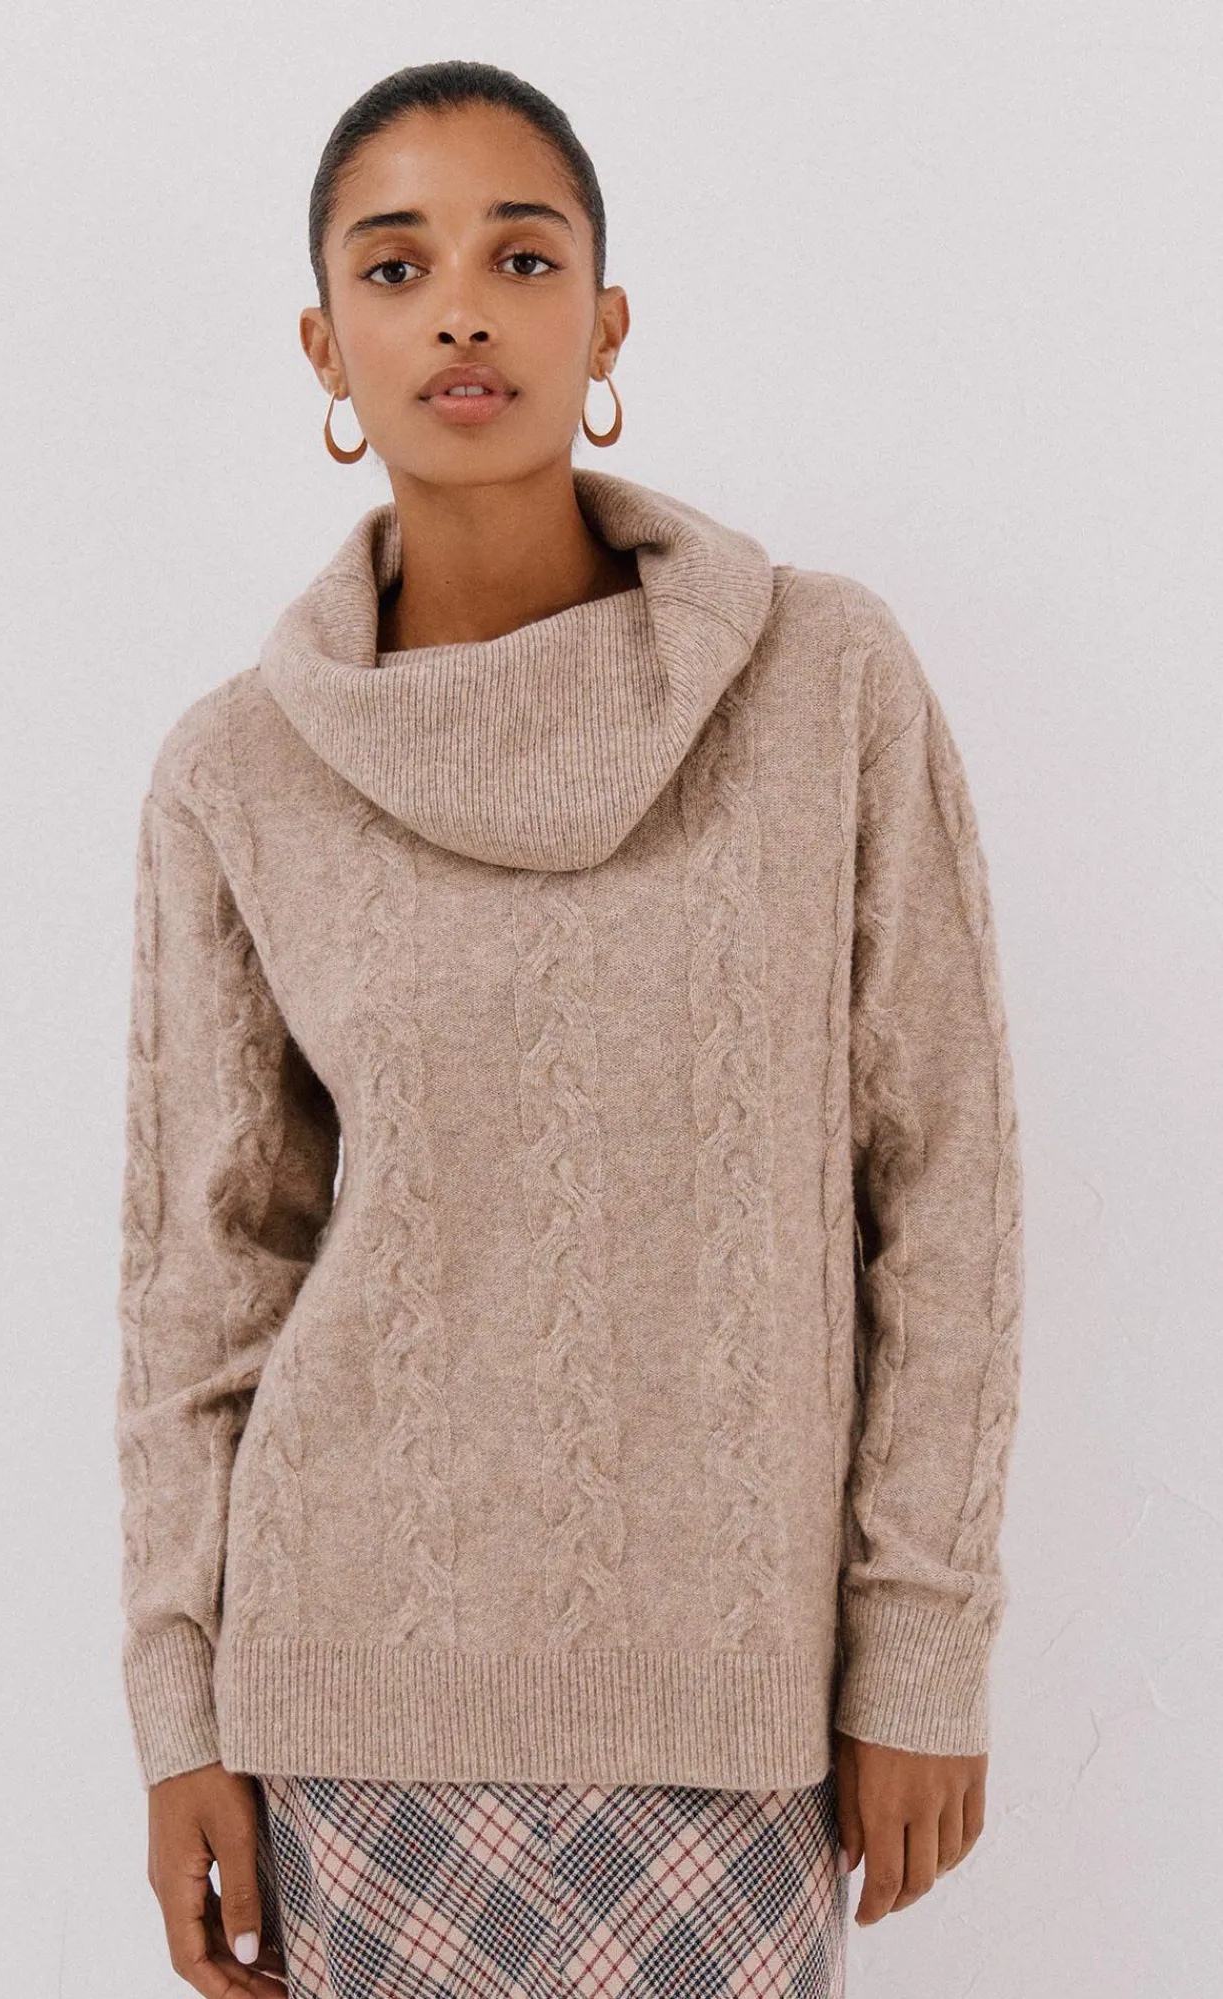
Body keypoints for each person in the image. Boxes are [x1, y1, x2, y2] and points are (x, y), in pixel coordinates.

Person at [113, 58, 1025, 1999]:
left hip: (733, 1715)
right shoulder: (236, 774)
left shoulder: (825, 683)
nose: (462, 309)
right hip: (347, 1720)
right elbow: (207, 1278)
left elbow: (944, 1183)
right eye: (396, 266)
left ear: (605, 326)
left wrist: (922, 1645)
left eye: (521, 259)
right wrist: (179, 1711)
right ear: (325, 347)